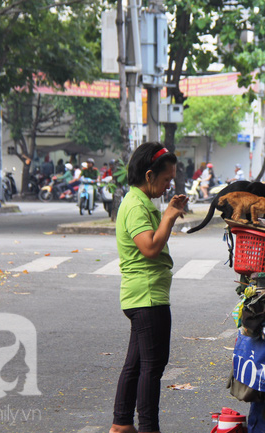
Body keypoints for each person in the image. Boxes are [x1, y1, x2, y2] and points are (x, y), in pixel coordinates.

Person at [109, 142, 188, 433]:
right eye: (166, 179)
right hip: (147, 296)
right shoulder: (135, 205)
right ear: (150, 174)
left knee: (137, 364)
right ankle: (148, 428)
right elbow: (150, 247)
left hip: (143, 294)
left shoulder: (138, 202)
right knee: (153, 367)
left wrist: (168, 213)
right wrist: (168, 216)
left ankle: (121, 424)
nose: (168, 186)